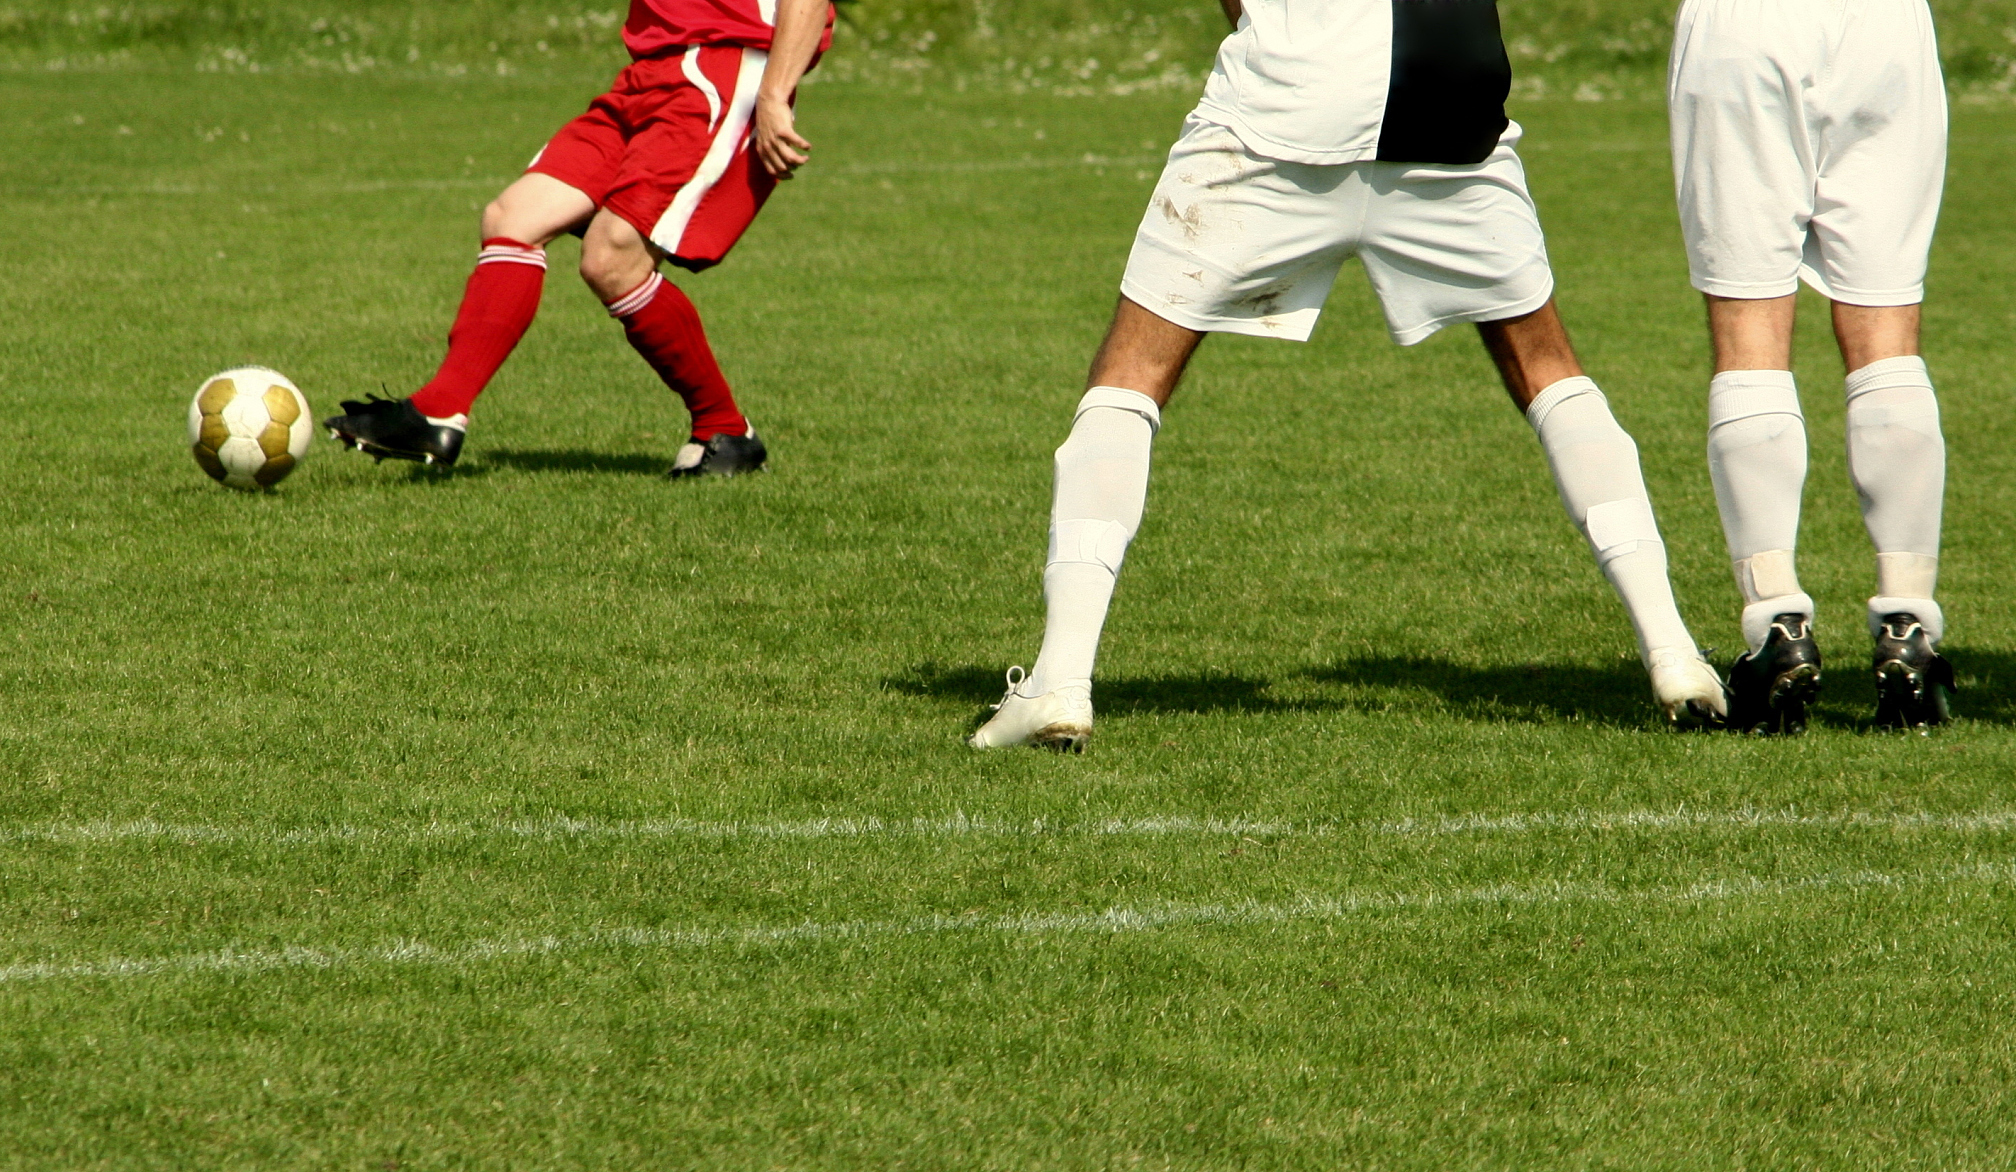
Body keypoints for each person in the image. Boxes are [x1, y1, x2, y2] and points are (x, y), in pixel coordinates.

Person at [970, 0, 1725, 752]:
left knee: (1131, 372)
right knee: (1547, 365)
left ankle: (1061, 681)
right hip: (1449, 95)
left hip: (1295, 103)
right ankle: (1675, 655)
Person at [323, 0, 832, 477]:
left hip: (727, 68)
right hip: (652, 69)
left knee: (612, 258)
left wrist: (772, 92)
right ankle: (438, 412)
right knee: (512, 217)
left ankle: (724, 428)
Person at [1667, 0, 1954, 731]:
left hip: (1749, 27)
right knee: (1887, 329)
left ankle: (1777, 628)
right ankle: (1908, 629)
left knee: (1750, 331)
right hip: (1886, 28)